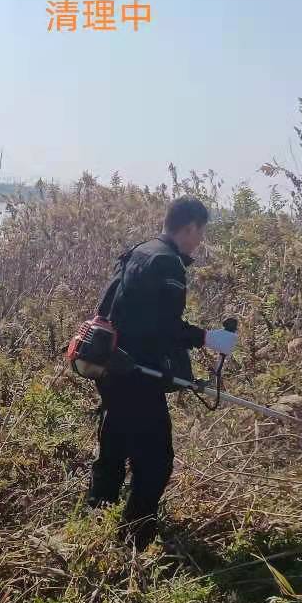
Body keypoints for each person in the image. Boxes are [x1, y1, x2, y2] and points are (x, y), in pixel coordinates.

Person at [88, 197, 238, 550]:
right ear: (190, 227)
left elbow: (113, 310)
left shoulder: (139, 252)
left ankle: (95, 519)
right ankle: (136, 538)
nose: (199, 241)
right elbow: (163, 328)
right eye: (200, 233)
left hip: (110, 365)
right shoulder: (168, 263)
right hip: (137, 375)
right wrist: (207, 338)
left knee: (114, 444)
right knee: (156, 459)